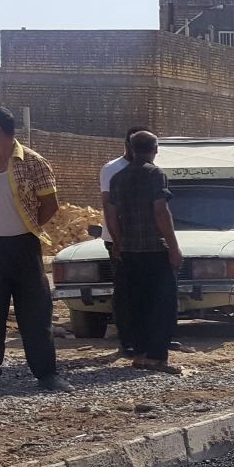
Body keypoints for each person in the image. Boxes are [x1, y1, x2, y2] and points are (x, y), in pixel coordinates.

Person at [0, 105, 66, 392]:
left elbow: (50, 204)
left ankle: (47, 375)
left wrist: (26, 227)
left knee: (35, 312)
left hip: (23, 246)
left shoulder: (33, 162)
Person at [108, 131, 183, 373]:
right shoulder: (155, 174)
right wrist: (173, 247)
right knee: (162, 305)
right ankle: (156, 357)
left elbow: (111, 214)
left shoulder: (118, 178)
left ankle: (139, 354)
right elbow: (160, 211)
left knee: (137, 304)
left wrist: (118, 243)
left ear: (130, 148)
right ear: (155, 149)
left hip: (129, 251)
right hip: (154, 249)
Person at [100, 125, 149, 357]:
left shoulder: (150, 169)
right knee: (124, 291)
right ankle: (127, 340)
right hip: (120, 241)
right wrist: (118, 241)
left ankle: (148, 339)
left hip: (146, 241)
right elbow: (109, 209)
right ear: (126, 145)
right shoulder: (112, 170)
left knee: (148, 290)